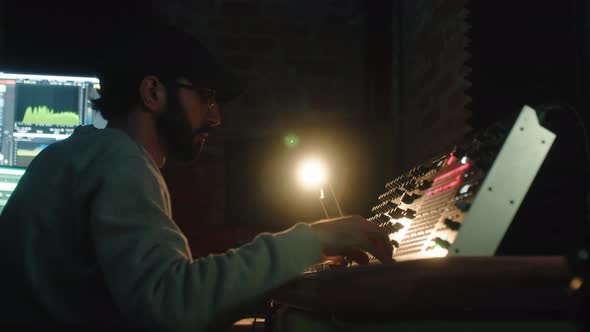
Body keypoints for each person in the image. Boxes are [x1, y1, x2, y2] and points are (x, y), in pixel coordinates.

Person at [0, 22, 393, 331]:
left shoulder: (70, 156)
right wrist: (316, 238)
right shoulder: (120, 159)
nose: (215, 117)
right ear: (153, 92)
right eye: (205, 96)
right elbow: (172, 306)